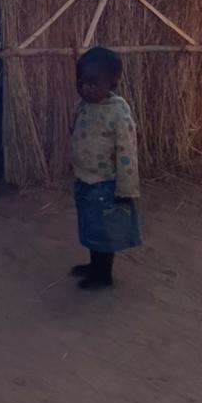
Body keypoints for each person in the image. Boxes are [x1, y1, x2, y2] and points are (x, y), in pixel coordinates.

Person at [70, 46, 142, 290]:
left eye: (93, 83)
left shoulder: (118, 113)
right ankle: (94, 266)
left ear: (112, 84)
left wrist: (126, 190)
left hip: (107, 184)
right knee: (92, 226)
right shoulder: (85, 105)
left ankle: (103, 276)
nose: (86, 88)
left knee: (105, 231)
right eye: (81, 82)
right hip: (85, 180)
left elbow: (127, 153)